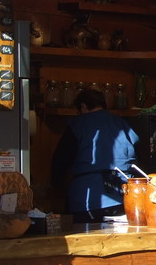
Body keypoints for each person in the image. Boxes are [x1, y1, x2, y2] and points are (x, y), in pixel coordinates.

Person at [51, 87, 141, 223]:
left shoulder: (78, 124)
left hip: (87, 197)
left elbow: (61, 160)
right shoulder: (123, 124)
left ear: (83, 106)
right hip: (124, 195)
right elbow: (137, 157)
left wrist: (57, 185)